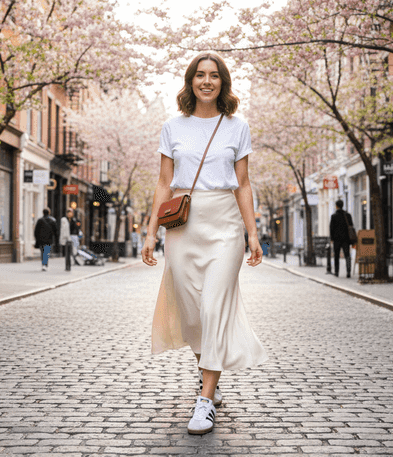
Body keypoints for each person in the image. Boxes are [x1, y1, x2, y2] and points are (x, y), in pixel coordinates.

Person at [142, 52, 268, 436]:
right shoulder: (172, 126)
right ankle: (208, 370)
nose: (207, 81)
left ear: (223, 82)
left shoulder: (237, 126)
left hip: (225, 224)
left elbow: (243, 183)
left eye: (214, 75)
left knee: (214, 305)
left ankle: (205, 398)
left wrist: (252, 232)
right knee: (192, 310)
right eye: (200, 75)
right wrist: (150, 232)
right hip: (182, 224)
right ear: (190, 81)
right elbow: (164, 183)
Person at [329, 199, 354, 278]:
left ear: (336, 206)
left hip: (337, 239)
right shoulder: (348, 215)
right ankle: (348, 272)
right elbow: (351, 226)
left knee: (336, 256)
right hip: (346, 239)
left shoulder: (334, 216)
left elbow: (331, 228)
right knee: (347, 255)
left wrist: (332, 238)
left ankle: (336, 272)